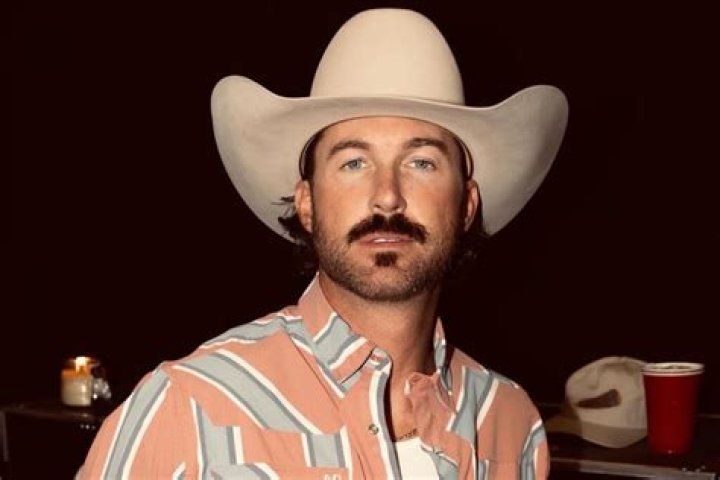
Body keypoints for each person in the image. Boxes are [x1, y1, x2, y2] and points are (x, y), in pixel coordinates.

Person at [79, 8, 567, 479]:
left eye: (422, 162)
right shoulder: (190, 407)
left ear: (466, 206)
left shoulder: (510, 425)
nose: (387, 196)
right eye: (353, 163)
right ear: (307, 204)